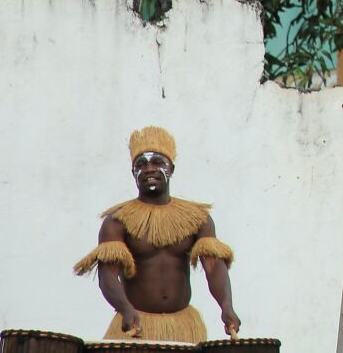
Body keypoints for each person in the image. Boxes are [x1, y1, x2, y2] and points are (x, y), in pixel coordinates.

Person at [73, 127, 239, 343]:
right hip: (137, 324)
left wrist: (226, 306)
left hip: (183, 326)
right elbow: (107, 276)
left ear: (171, 168)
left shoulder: (197, 219)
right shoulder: (117, 221)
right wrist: (124, 308)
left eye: (157, 163)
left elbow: (214, 267)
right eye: (140, 165)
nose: (149, 169)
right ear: (133, 172)